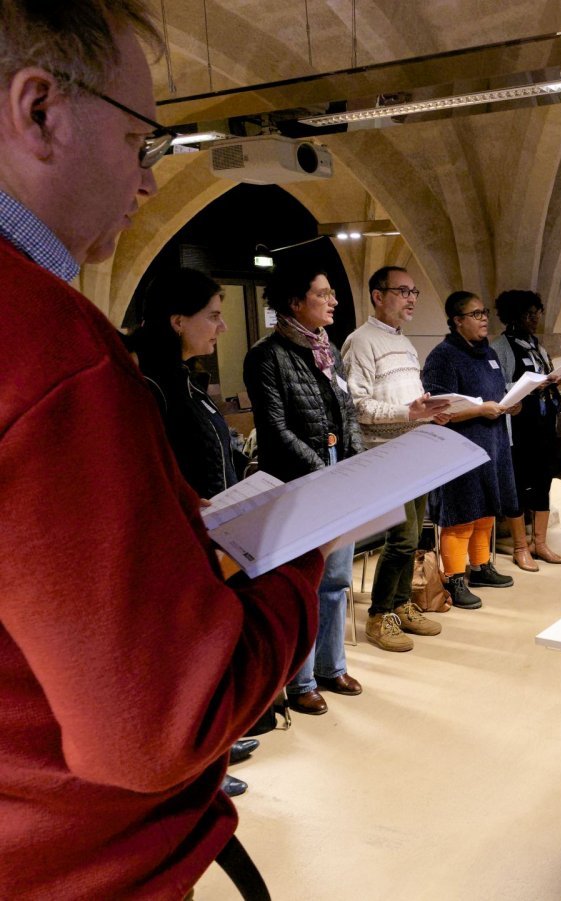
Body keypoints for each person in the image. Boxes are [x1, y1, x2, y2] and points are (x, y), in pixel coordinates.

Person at [0, 3, 323, 896]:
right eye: (143, 143)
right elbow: (155, 727)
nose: (147, 185)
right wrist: (297, 558)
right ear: (39, 112)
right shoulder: (47, 347)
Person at [125, 266, 260, 795]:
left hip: (212, 530)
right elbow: (150, 470)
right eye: (213, 316)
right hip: (180, 542)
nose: (222, 328)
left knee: (211, 653)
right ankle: (198, 764)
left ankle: (217, 743)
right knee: (185, 662)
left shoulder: (185, 378)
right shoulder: (151, 384)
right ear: (177, 320)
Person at [244, 263, 365, 715]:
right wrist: (323, 472)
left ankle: (333, 667)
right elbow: (274, 429)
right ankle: (301, 680)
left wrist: (351, 462)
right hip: (299, 481)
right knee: (305, 583)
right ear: (295, 303)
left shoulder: (325, 348)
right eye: (323, 294)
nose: (333, 301)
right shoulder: (266, 355)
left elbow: (346, 409)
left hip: (338, 471)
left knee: (336, 579)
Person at [341, 265, 450, 652]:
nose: (411, 299)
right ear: (377, 295)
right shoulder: (361, 341)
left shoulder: (404, 343)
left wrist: (430, 410)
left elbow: (408, 398)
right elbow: (357, 406)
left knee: (415, 534)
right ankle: (379, 615)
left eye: (414, 292)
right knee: (401, 539)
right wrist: (410, 413)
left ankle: (402, 604)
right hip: (385, 455)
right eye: (403, 291)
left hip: (413, 451)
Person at [421, 291, 521, 609]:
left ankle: (480, 567)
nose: (483, 319)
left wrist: (509, 405)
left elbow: (494, 392)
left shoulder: (487, 352)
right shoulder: (443, 356)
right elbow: (438, 409)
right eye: (476, 314)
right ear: (457, 321)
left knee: (486, 511)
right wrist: (479, 411)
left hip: (492, 444)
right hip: (459, 448)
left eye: (484, 312)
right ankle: (454, 577)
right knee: (462, 514)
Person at [491, 289, 561, 570]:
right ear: (513, 316)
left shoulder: (537, 345)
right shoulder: (502, 346)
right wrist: (532, 386)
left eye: (537, 312)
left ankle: (540, 543)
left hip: (544, 425)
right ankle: (520, 547)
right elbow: (498, 386)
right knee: (520, 485)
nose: (534, 318)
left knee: (544, 482)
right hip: (519, 428)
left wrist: (553, 380)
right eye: (528, 313)